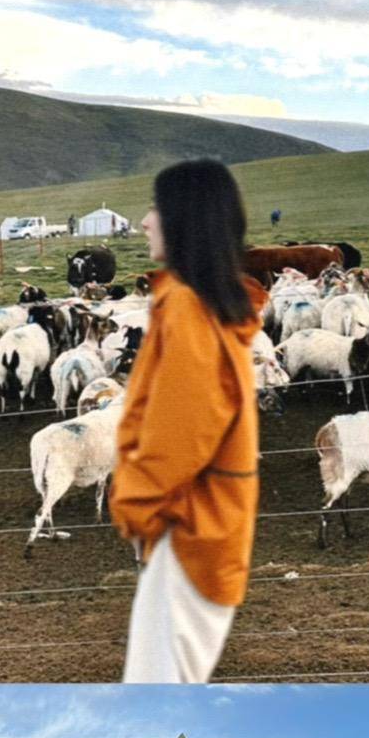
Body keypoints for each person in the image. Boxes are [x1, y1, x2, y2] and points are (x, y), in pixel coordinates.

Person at [109, 159, 268, 683]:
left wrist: (135, 507)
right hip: (208, 523)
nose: (145, 222)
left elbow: (182, 430)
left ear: (182, 218)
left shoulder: (186, 307)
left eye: (156, 208)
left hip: (189, 528)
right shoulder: (212, 308)